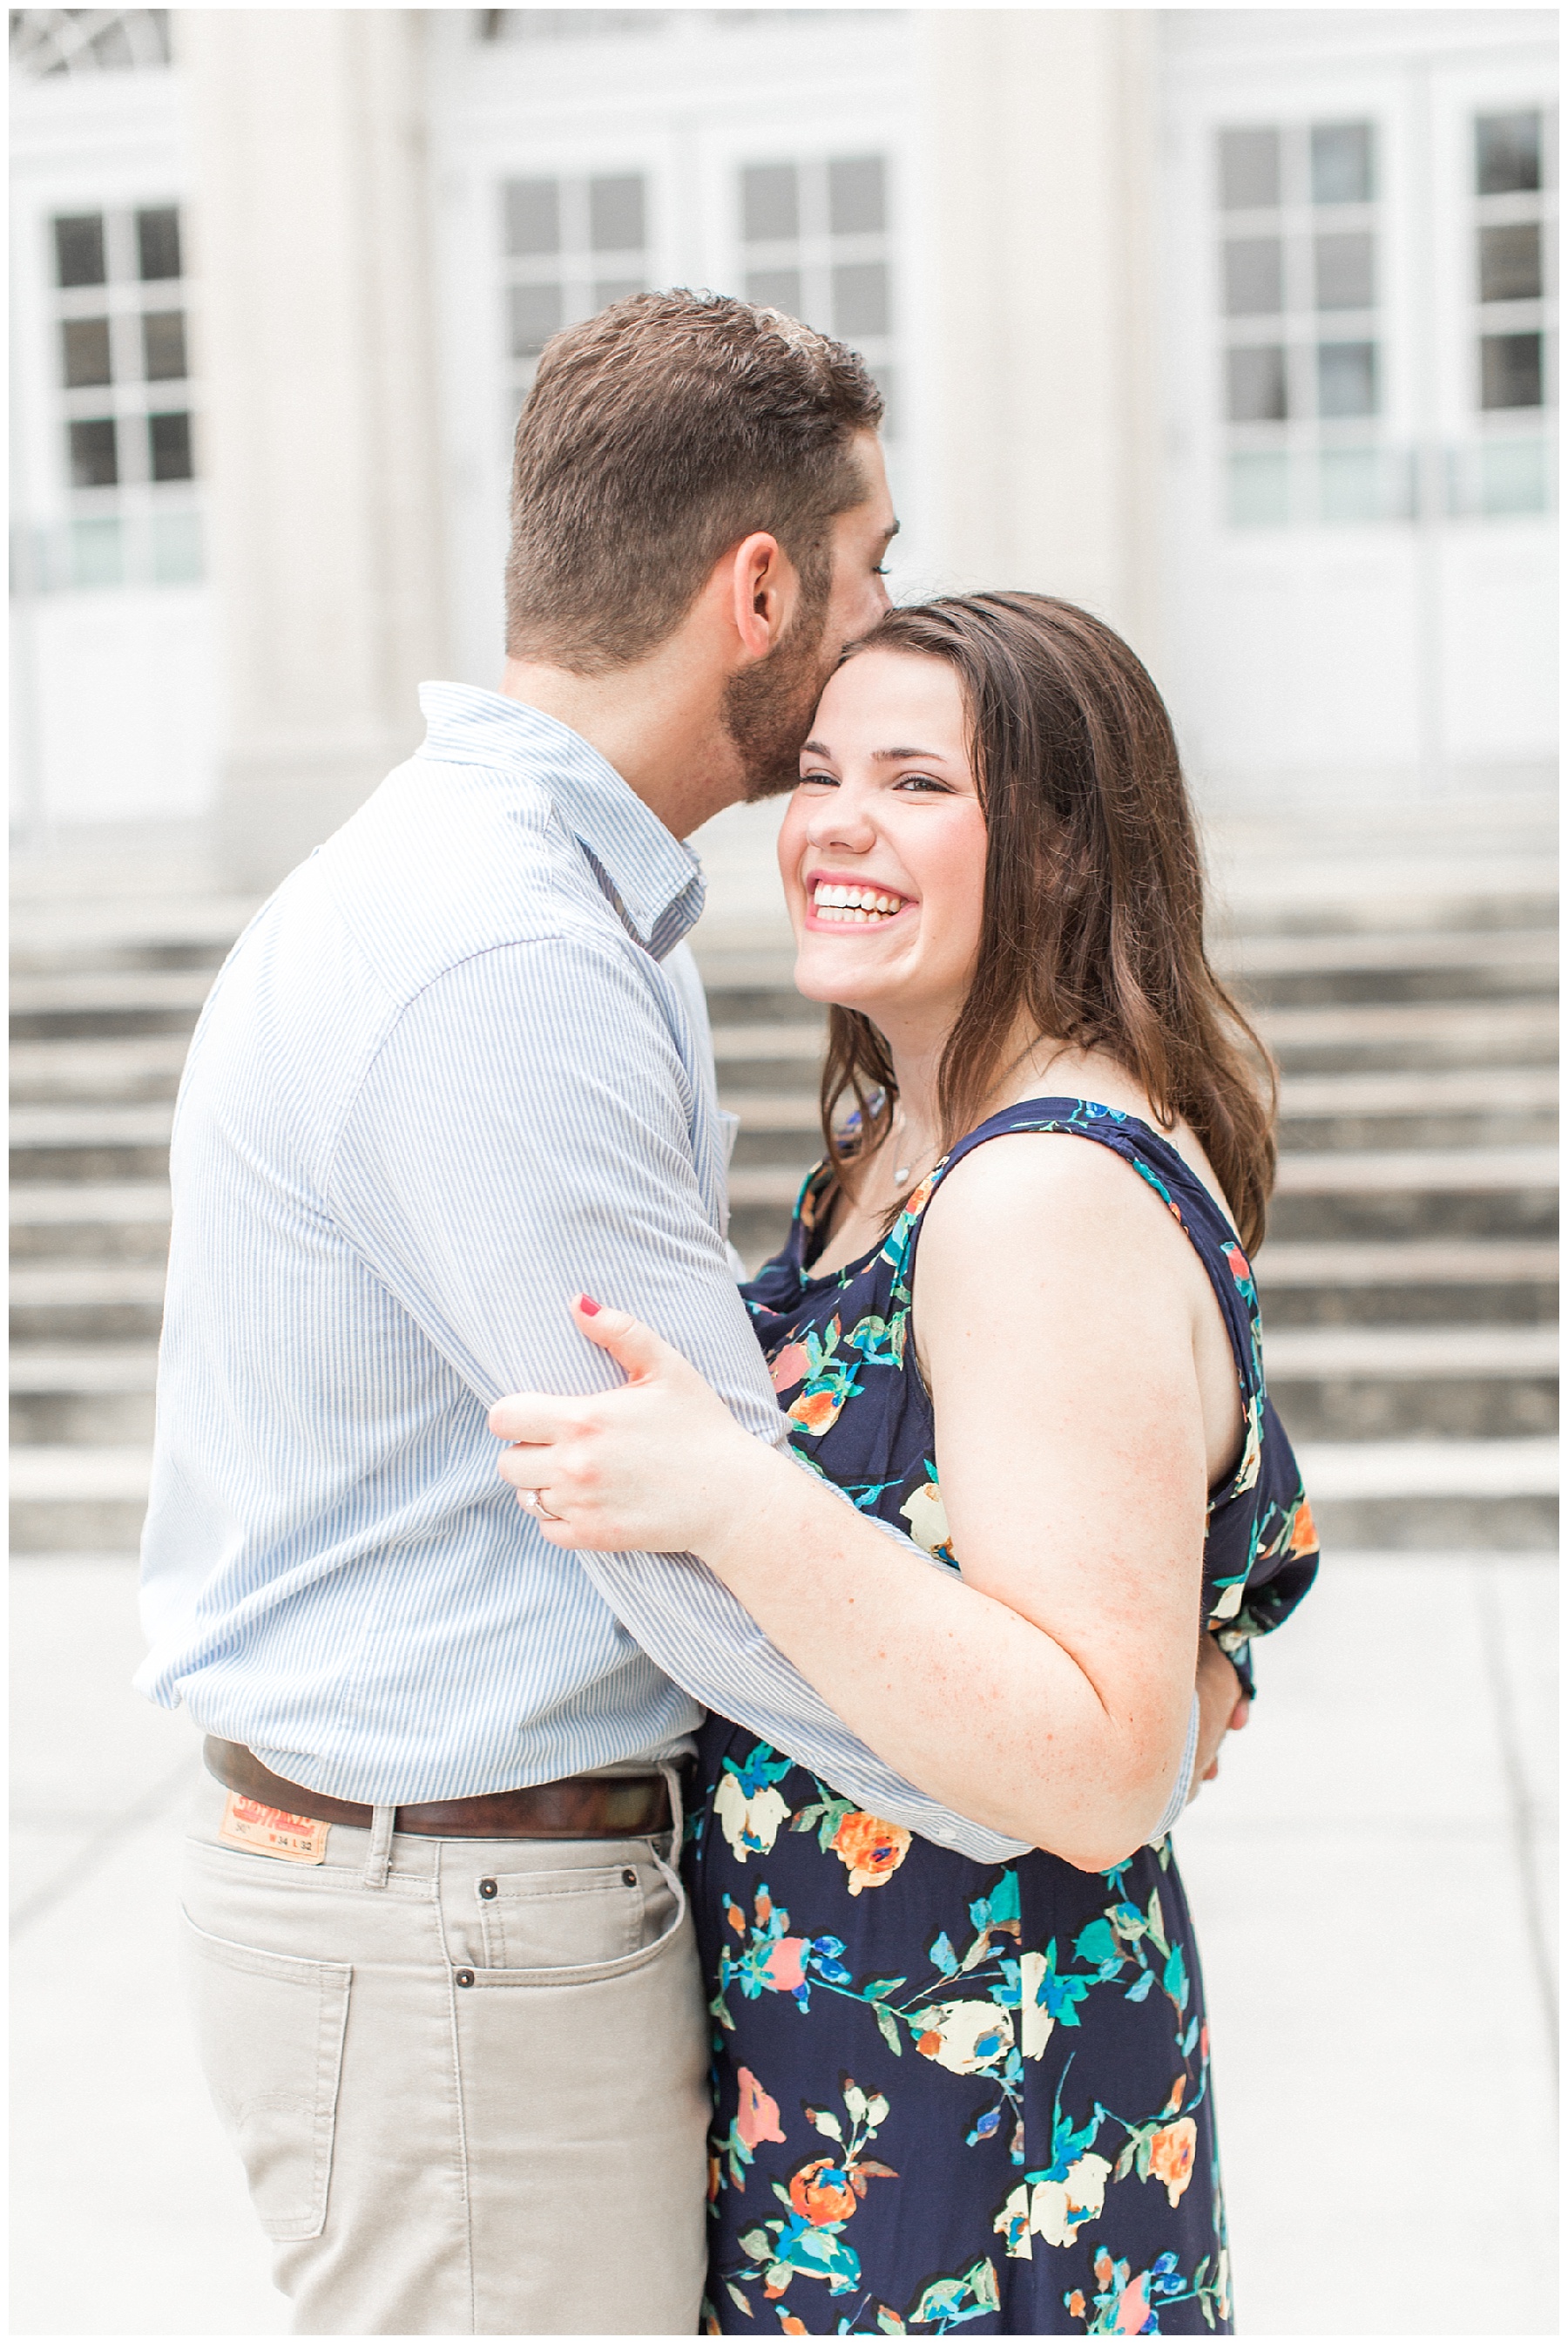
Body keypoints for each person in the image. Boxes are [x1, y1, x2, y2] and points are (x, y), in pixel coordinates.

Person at [488, 593, 1320, 2335]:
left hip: (977, 2119)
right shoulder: (898, 1146)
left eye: (918, 782)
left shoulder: (1038, 1197)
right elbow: (1209, 1578)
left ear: (1067, 851)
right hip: (861, 2064)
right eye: (819, 773)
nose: (836, 826)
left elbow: (1102, 1764)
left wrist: (733, 1498)